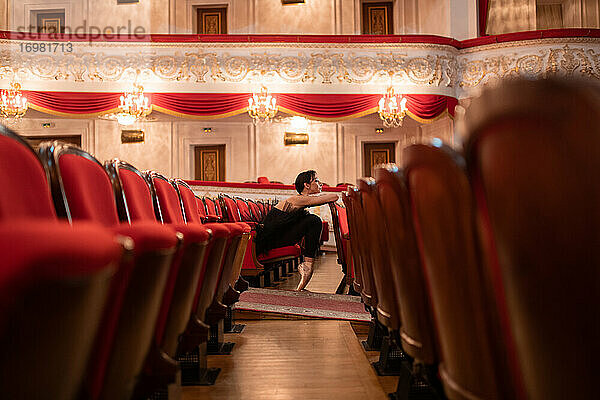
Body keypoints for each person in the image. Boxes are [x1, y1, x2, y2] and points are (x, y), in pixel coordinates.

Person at [255, 170, 339, 291]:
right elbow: (334, 196)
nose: (320, 183)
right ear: (307, 185)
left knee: (312, 220)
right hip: (269, 241)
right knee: (313, 220)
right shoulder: (297, 199)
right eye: (316, 180)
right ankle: (308, 265)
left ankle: (307, 265)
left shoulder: (300, 199)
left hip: (278, 236)